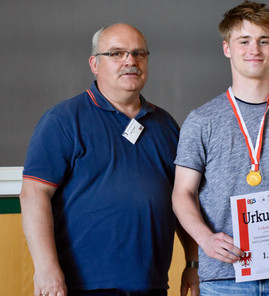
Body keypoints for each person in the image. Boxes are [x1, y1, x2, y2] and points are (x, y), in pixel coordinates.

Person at [172, 1, 269, 295]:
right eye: (243, 41)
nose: (254, 49)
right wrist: (205, 239)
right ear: (227, 48)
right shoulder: (201, 120)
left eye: (263, 41)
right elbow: (182, 193)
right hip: (224, 276)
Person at [20, 23, 183, 296]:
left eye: (139, 53)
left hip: (151, 284)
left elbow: (185, 197)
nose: (130, 61)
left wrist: (192, 261)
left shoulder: (165, 124)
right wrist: (46, 269)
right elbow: (33, 193)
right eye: (116, 53)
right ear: (95, 64)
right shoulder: (63, 120)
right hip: (83, 286)